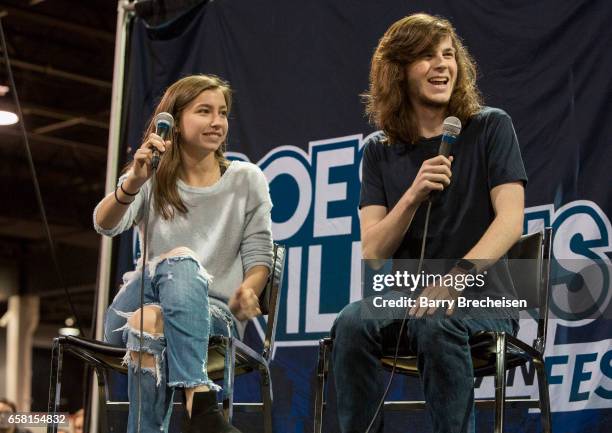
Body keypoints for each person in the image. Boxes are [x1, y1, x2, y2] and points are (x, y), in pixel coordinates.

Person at [331, 13, 527, 433]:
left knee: (436, 320)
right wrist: (412, 195)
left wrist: (455, 280)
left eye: (448, 54)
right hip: (405, 298)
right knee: (349, 323)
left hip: (484, 298)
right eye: (426, 56)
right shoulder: (379, 152)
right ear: (397, 72)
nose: (443, 65)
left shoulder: (491, 126)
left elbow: (511, 221)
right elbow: (373, 250)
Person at [94, 75, 273, 433]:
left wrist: (250, 289)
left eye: (222, 113)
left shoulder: (246, 179)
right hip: (130, 307)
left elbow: (260, 255)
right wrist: (134, 182)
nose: (217, 122)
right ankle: (200, 399)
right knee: (179, 260)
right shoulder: (151, 173)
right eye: (204, 111)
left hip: (212, 317)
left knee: (149, 321)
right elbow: (105, 224)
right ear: (173, 123)